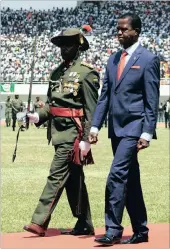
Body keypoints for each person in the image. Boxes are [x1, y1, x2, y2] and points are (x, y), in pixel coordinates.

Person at [89, 13, 160, 246]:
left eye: (124, 29)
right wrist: (96, 126)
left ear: (136, 32)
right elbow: (105, 96)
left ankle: (113, 229)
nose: (119, 33)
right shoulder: (112, 59)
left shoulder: (148, 59)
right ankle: (141, 230)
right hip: (115, 130)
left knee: (116, 176)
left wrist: (147, 132)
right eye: (117, 29)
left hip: (134, 128)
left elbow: (152, 99)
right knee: (131, 180)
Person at [22, 27, 100, 237]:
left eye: (69, 45)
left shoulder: (86, 73)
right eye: (61, 45)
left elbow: (92, 109)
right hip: (58, 133)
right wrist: (37, 116)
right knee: (74, 180)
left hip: (73, 136)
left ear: (78, 47)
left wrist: (87, 140)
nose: (64, 48)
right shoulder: (56, 73)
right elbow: (51, 104)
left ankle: (39, 221)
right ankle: (84, 222)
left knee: (55, 176)